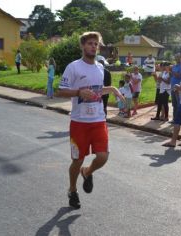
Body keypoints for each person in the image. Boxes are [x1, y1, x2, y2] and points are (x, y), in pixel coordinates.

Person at [59, 32, 124, 209]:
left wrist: (111, 89)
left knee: (103, 157)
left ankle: (87, 172)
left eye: (96, 44)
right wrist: (78, 92)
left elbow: (97, 90)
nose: (94, 46)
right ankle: (72, 190)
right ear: (82, 46)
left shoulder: (100, 68)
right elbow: (62, 90)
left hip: (98, 120)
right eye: (90, 43)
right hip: (79, 122)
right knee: (77, 160)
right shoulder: (73, 67)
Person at [170, 53, 181, 123]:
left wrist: (172, 72)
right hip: (172, 87)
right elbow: (172, 75)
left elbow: (180, 76)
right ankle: (174, 118)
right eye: (176, 57)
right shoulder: (174, 66)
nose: (176, 58)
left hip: (178, 88)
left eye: (178, 57)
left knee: (179, 104)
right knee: (174, 104)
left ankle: (179, 118)